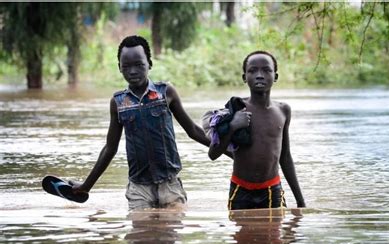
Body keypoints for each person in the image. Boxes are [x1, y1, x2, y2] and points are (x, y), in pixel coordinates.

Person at [71, 35, 212, 210]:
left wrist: (232, 154)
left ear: (149, 64)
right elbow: (110, 148)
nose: (132, 71)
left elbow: (193, 131)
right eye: (126, 66)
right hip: (139, 188)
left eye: (139, 65)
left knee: (170, 232)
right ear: (119, 68)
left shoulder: (165, 93)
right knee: (140, 234)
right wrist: (86, 186)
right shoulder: (118, 103)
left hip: (170, 184)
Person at [208, 50, 306, 209]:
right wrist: (232, 125)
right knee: (241, 233)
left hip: (272, 190)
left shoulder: (283, 111)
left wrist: (300, 201)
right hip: (240, 190)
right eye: (252, 71)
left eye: (266, 70)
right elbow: (213, 154)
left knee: (275, 232)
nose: (259, 75)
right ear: (244, 77)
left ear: (275, 76)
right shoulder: (235, 108)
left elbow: (285, 157)